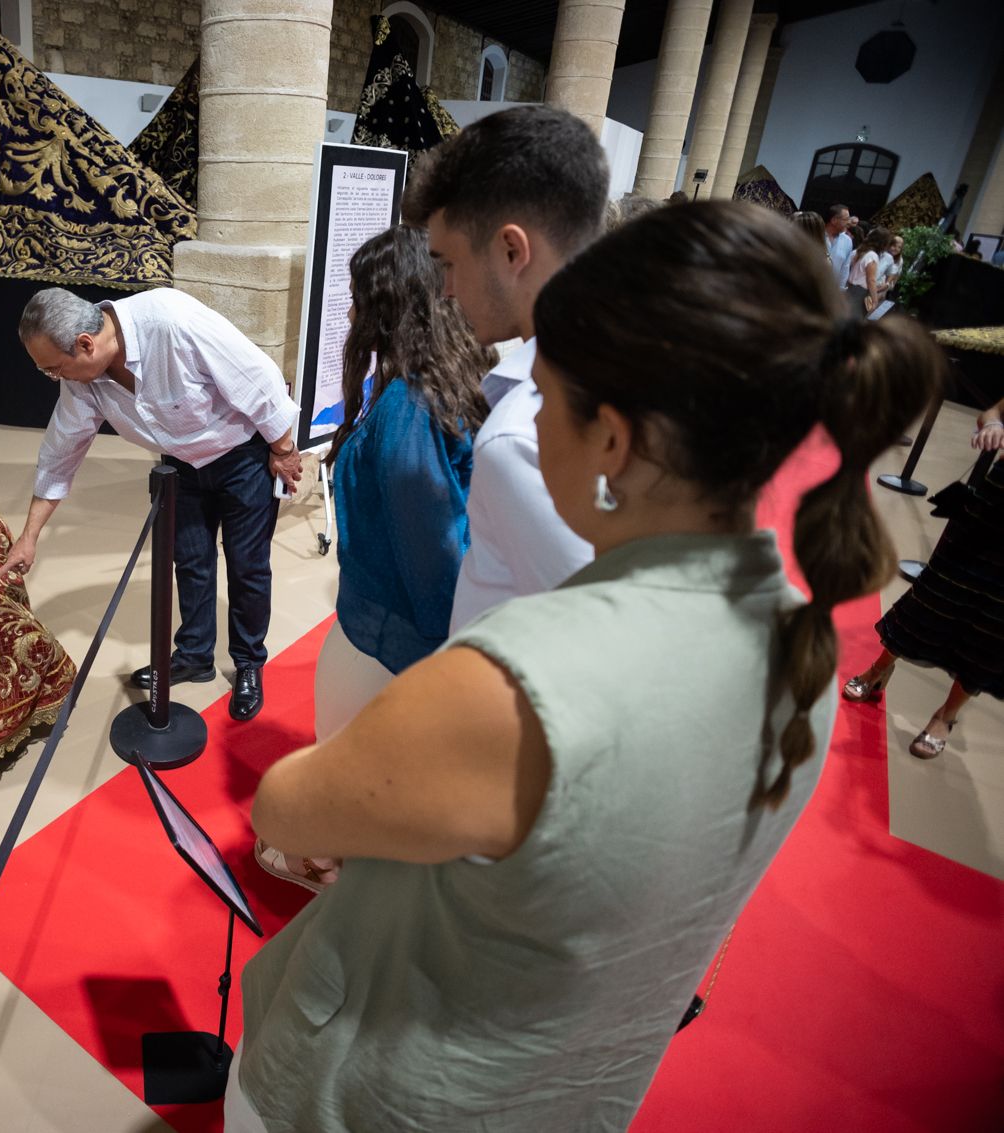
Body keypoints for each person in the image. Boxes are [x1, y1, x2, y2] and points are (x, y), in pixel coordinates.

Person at [224, 201, 944, 1133]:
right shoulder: (794, 638)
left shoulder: (513, 684)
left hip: (389, 1089)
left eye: (537, 390)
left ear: (611, 437)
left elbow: (287, 808)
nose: (513, 410)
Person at [255, 224, 495, 892]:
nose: (352, 312)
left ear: (388, 303)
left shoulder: (406, 407)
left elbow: (434, 559)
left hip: (389, 646)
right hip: (390, 636)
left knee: (363, 812)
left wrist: (449, 664)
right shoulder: (441, 380)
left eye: (359, 297)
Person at [0, 287, 300, 721]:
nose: (54, 378)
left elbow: (258, 379)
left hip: (244, 455)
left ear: (86, 344)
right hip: (180, 465)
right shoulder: (83, 379)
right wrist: (29, 536)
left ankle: (249, 663)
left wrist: (284, 449)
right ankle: (194, 655)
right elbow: (60, 451)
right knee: (190, 561)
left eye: (53, 369)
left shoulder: (170, 321)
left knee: (247, 566)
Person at [407, 105, 604, 633]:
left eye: (449, 263)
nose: (445, 290)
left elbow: (590, 640)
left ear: (511, 250)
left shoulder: (524, 435)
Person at [842, 395, 1004, 758]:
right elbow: (993, 412)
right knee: (936, 593)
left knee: (993, 627)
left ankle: (946, 716)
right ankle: (878, 670)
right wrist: (994, 425)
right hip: (994, 505)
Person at [844, 225, 892, 315]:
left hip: (850, 288)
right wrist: (875, 300)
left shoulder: (859, 251)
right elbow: (871, 280)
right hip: (859, 293)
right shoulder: (872, 256)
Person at [824, 203, 854, 289]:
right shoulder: (817, 234)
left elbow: (845, 268)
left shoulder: (847, 241)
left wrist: (840, 290)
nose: (848, 223)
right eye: (846, 219)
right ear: (834, 220)